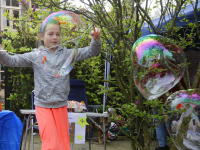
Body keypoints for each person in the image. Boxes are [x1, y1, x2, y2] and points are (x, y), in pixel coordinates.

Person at [0, 17, 101, 150]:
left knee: (63, 145)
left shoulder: (67, 54)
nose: (55, 37)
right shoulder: (36, 56)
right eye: (50, 34)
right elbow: (12, 61)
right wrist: (1, 53)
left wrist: (96, 39)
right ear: (42, 36)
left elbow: (92, 51)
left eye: (58, 34)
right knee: (51, 144)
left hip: (61, 105)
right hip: (43, 106)